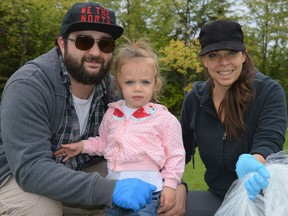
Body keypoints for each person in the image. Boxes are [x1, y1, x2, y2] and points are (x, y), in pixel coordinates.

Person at [0, 2, 187, 216]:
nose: (95, 52)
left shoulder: (114, 89)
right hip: (17, 177)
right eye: (84, 41)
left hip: (78, 171)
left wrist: (175, 185)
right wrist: (108, 190)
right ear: (62, 44)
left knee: (145, 202)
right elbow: (30, 169)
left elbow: (155, 146)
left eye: (105, 44)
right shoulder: (30, 85)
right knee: (42, 211)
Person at [54, 38, 186, 215]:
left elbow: (175, 156)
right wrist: (82, 146)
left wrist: (170, 185)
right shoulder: (113, 113)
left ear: (155, 84)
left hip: (148, 193)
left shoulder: (163, 119)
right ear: (119, 85)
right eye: (130, 82)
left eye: (145, 82)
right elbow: (103, 142)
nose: (137, 88)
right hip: (114, 189)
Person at [181, 20, 287, 216]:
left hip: (263, 199)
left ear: (243, 55)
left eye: (231, 52)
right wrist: (173, 184)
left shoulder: (269, 91)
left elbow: (270, 138)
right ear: (204, 60)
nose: (223, 62)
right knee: (168, 207)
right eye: (214, 55)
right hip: (218, 196)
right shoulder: (195, 99)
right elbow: (179, 151)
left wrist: (255, 162)